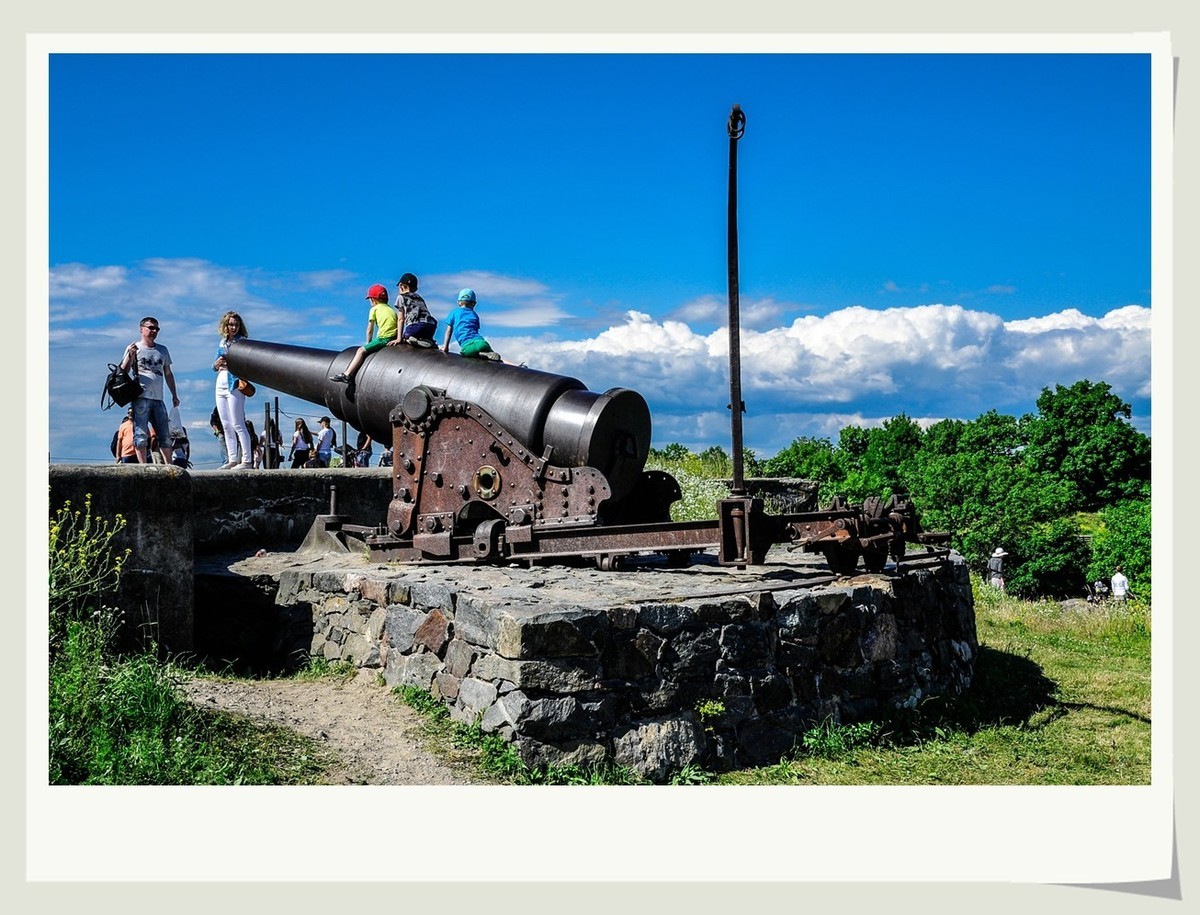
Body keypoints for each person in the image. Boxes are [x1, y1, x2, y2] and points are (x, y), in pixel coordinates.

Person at [118, 316, 180, 464]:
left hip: (158, 398)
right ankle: (143, 466)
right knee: (140, 434)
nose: (154, 331)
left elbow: (168, 373)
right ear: (141, 329)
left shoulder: (162, 350)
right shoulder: (135, 347)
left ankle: (169, 466)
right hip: (141, 396)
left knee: (164, 434)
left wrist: (174, 394)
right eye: (150, 328)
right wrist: (130, 356)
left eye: (156, 328)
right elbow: (123, 371)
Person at [212, 311, 255, 469]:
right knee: (226, 424)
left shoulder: (242, 342)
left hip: (234, 383)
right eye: (231, 324)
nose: (234, 327)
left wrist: (230, 364)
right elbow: (213, 366)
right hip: (221, 382)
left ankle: (247, 460)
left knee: (238, 423)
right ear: (225, 326)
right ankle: (232, 459)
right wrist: (218, 363)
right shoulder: (222, 343)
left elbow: (247, 364)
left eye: (236, 324)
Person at [331, 284, 397, 384]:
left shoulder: (374, 309)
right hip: (394, 337)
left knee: (360, 351)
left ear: (373, 299)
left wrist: (368, 344)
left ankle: (347, 374)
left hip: (384, 338)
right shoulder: (392, 310)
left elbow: (369, 329)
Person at [442, 287, 503, 362]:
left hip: (468, 346)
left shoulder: (454, 312)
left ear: (458, 302)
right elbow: (474, 330)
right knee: (491, 353)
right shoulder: (475, 315)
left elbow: (448, 331)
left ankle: (480, 354)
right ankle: (497, 359)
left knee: (464, 354)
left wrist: (446, 347)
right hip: (482, 343)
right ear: (474, 304)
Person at [388, 272, 437, 348]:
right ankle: (428, 340)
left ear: (401, 286)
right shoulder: (420, 298)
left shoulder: (401, 297)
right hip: (430, 326)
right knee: (423, 333)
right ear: (416, 289)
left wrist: (399, 338)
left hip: (415, 327)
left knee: (405, 337)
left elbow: (401, 319)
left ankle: (409, 339)